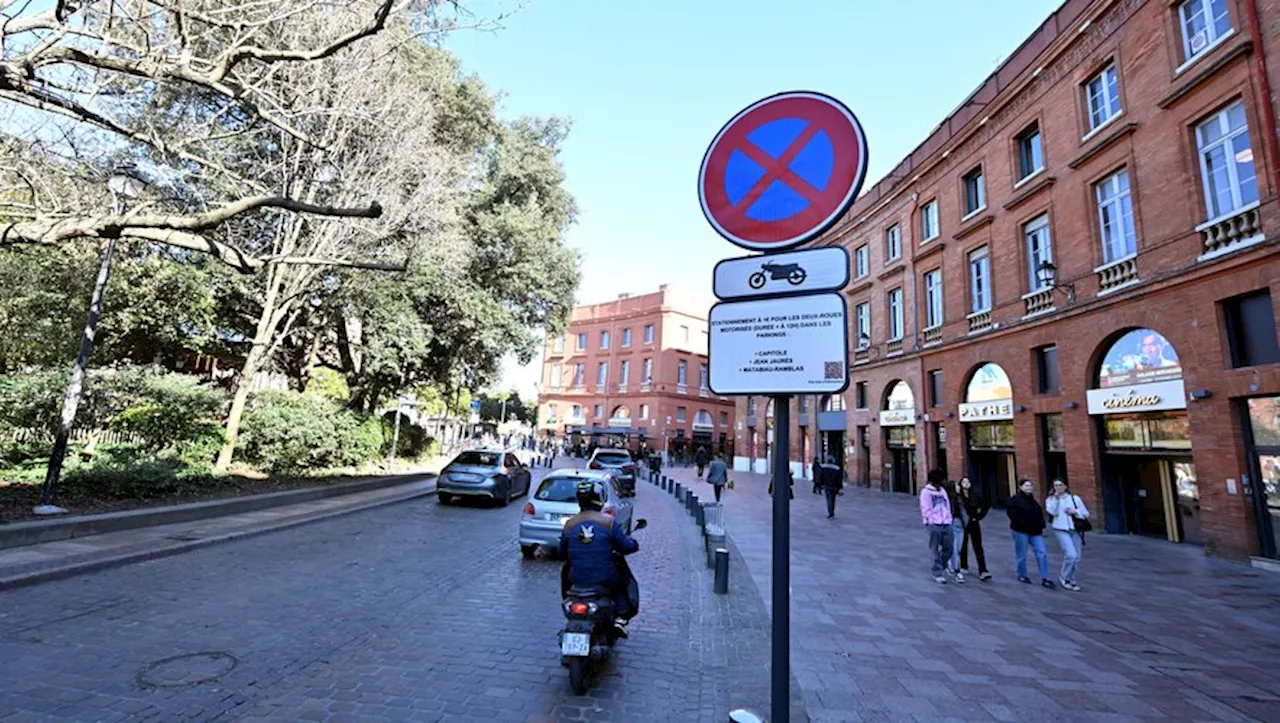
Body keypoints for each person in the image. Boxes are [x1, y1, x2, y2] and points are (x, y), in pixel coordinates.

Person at [559, 480, 640, 636]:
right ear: (599, 498)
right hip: (604, 579)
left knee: (566, 572)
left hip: (576, 579)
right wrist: (634, 544)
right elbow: (626, 546)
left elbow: (563, 553)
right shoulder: (608, 522)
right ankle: (621, 617)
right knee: (623, 581)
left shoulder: (569, 524)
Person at [1007, 479, 1056, 589]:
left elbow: (1038, 513)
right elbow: (1012, 514)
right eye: (1026, 485)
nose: (1029, 487)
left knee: (1042, 553)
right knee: (1022, 554)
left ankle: (1045, 578)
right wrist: (1022, 523)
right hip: (1020, 530)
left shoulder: (1033, 500)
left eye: (1030, 485)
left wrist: (1041, 524)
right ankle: (1022, 575)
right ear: (1020, 487)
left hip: (1035, 531)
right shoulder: (1015, 499)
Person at [1045, 479, 1089, 591]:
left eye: (1060, 485)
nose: (1058, 487)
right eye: (1056, 485)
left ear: (1065, 486)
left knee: (1077, 557)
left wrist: (1075, 512)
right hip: (1060, 529)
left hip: (1075, 530)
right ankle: (1065, 578)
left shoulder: (1075, 499)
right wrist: (1056, 499)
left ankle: (1072, 579)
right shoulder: (1050, 499)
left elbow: (1085, 514)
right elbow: (1052, 512)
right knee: (1071, 555)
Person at [920, 469, 954, 584]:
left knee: (949, 548)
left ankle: (942, 565)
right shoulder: (926, 492)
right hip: (934, 524)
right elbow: (926, 508)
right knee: (934, 549)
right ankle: (937, 572)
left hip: (946, 523)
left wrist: (949, 519)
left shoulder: (943, 491)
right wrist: (930, 521)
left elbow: (947, 505)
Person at [957, 477, 991, 581]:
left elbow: (985, 504)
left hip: (974, 522)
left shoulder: (976, 494)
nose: (966, 484)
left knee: (978, 546)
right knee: (963, 545)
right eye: (964, 482)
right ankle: (963, 566)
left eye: (968, 482)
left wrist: (979, 516)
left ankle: (983, 570)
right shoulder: (958, 496)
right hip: (963, 523)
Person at [944, 478, 967, 583]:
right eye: (957, 486)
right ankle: (956, 569)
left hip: (960, 525)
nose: (959, 487)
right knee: (953, 547)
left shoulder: (959, 498)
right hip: (951, 524)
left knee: (958, 548)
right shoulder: (948, 500)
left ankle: (950, 564)